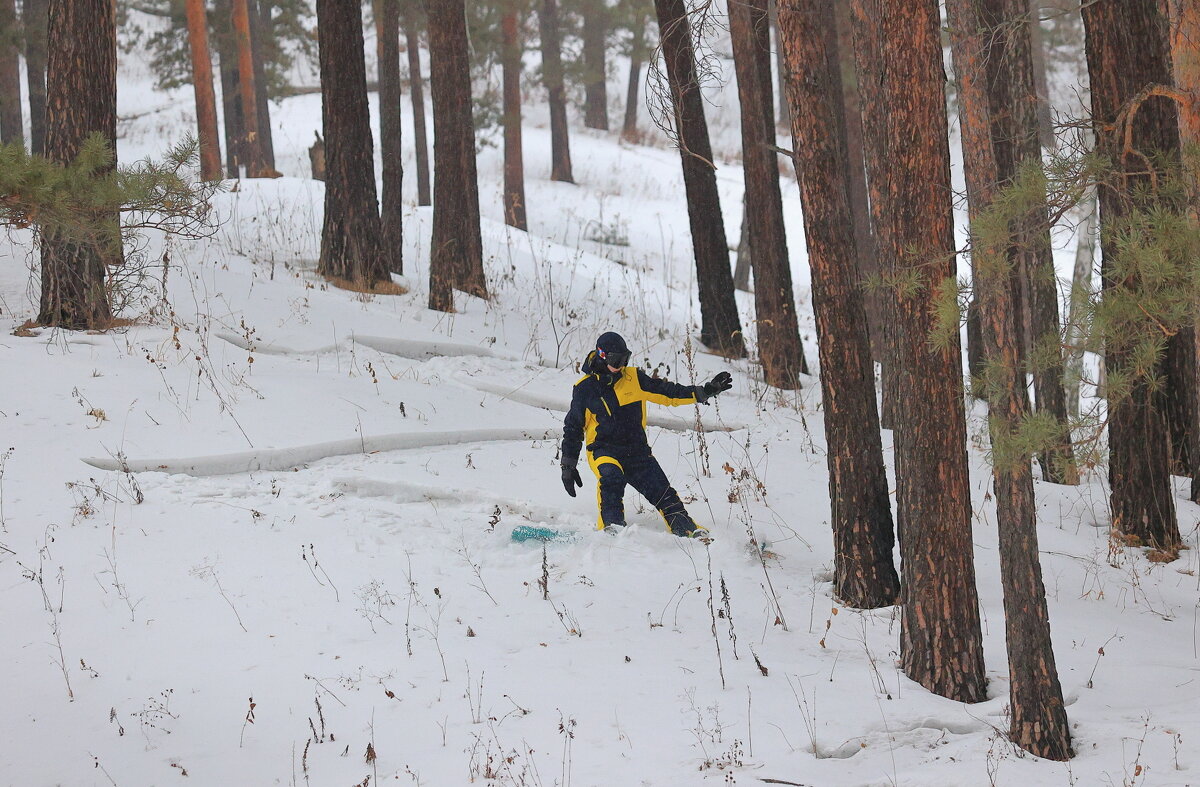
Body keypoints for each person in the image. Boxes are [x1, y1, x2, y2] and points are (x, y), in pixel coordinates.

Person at [559, 331, 733, 538]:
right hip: (603, 450)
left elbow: (669, 392)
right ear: (602, 355)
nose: (621, 365)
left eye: (625, 358)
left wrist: (704, 392)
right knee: (611, 478)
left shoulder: (634, 378)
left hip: (637, 451)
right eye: (617, 359)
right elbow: (573, 428)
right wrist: (568, 465)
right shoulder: (585, 389)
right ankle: (611, 529)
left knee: (662, 491)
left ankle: (688, 529)